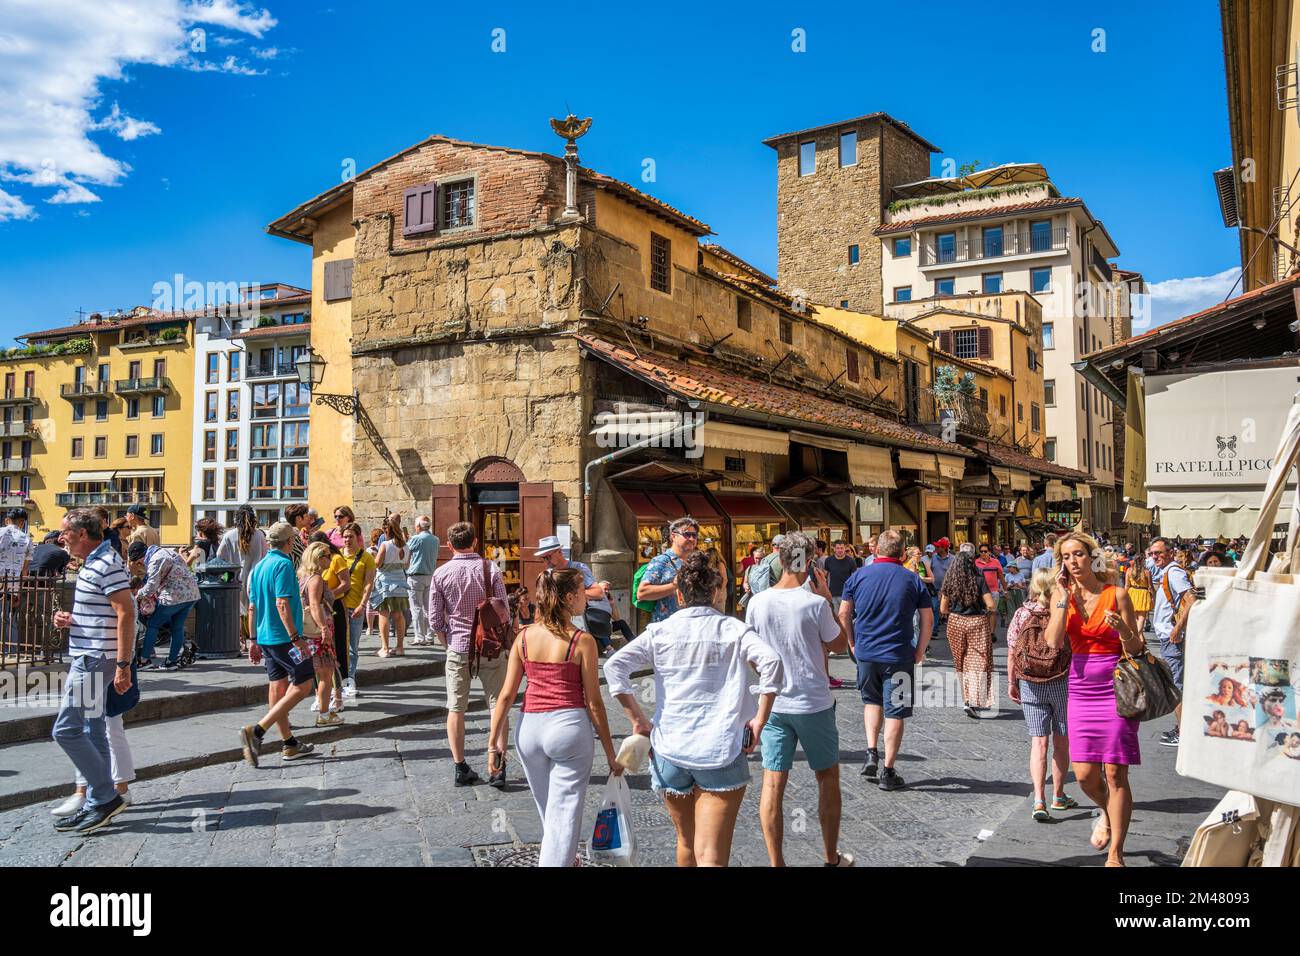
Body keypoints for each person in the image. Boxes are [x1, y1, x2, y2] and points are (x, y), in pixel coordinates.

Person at [607, 551, 783, 867]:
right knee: (712, 856)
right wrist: (760, 719)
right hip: (721, 750)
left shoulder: (659, 632)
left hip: (670, 750)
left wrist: (638, 719)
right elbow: (771, 663)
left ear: (678, 594)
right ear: (717, 591)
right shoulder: (734, 629)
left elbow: (615, 667)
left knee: (687, 845)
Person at [489, 568, 620, 866]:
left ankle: (566, 857)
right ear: (570, 598)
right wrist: (610, 753)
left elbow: (507, 695)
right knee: (565, 814)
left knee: (549, 810)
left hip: (530, 729)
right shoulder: (582, 641)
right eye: (582, 591)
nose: (587, 596)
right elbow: (594, 703)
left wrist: (493, 742)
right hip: (568, 727)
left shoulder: (523, 638)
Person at [745, 531, 854, 867]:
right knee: (827, 777)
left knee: (773, 782)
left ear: (780, 560)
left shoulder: (757, 602)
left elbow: (751, 654)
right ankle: (830, 857)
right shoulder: (815, 604)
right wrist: (827, 599)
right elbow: (839, 646)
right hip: (813, 702)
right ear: (809, 562)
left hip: (774, 703)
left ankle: (777, 862)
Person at [1042, 530, 1145, 867]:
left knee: (1116, 774)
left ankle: (1116, 852)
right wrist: (1060, 596)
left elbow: (1136, 648)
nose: (1073, 562)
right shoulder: (1064, 598)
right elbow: (1054, 642)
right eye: (1067, 557)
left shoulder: (1116, 594)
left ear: (1092, 557)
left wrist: (1123, 631)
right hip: (1081, 690)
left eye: (1079, 555)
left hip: (1116, 689)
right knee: (1085, 776)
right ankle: (1106, 811)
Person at [49, 510, 134, 833]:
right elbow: (109, 613)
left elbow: (126, 612)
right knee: (91, 729)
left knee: (66, 730)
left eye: (65, 533)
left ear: (82, 534)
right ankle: (97, 803)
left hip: (95, 658)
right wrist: (72, 619)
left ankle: (104, 795)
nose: (61, 539)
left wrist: (124, 665)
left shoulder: (106, 563)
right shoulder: (96, 563)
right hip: (92, 654)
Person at [838, 529, 933, 791]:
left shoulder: (858, 576)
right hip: (899, 654)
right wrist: (920, 650)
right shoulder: (912, 580)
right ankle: (888, 771)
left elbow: (844, 613)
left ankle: (871, 752)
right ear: (903, 553)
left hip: (866, 653)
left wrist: (852, 643)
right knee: (895, 712)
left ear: (876, 550)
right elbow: (928, 619)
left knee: (871, 702)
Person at [430, 521, 511, 788]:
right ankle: (497, 766)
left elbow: (434, 621)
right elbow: (505, 612)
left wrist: (448, 642)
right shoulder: (491, 569)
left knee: (456, 708)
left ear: (449, 545)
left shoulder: (441, 574)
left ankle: (460, 767)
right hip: (489, 646)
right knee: (497, 705)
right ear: (475, 542)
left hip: (458, 647)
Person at [238, 522, 317, 767]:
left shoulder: (259, 567)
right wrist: (296, 637)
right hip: (284, 637)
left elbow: (252, 607)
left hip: (264, 636)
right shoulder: (283, 564)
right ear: (289, 542)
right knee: (303, 685)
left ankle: (289, 744)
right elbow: (282, 603)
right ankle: (258, 731)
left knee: (278, 688)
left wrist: (252, 639)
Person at [1006, 568, 1076, 821]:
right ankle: (1059, 795)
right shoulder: (1063, 610)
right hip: (1061, 681)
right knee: (1061, 740)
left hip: (1030, 682)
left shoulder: (1022, 613)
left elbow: (1013, 650)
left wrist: (1012, 681)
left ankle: (1038, 799)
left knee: (1039, 742)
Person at [940, 552, 997, 717]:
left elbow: (943, 610)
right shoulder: (979, 580)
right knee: (978, 661)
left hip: (956, 622)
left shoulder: (950, 581)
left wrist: (956, 611)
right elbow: (991, 605)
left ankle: (967, 699)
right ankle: (971, 699)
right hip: (977, 622)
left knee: (960, 662)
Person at [1149, 536, 1193, 748]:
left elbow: (1190, 599)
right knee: (1175, 683)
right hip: (1168, 635)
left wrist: (1178, 628)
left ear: (1170, 552)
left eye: (1158, 553)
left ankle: (1183, 733)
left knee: (1176, 686)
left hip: (1171, 636)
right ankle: (1181, 728)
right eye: (1152, 553)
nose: (1155, 556)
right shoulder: (1167, 572)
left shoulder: (1174, 572)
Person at [535, 534, 614, 652]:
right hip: (557, 626)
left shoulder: (578, 569)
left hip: (579, 623)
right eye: (543, 558)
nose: (546, 561)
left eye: (548, 557)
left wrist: (575, 594)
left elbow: (598, 592)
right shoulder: (548, 575)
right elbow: (541, 602)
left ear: (559, 552)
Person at [137, 541, 200, 670]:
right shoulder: (168, 552)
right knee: (177, 627)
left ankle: (144, 660)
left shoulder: (155, 560)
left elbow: (151, 585)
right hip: (191, 594)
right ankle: (171, 662)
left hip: (174, 596)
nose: (140, 565)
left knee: (153, 624)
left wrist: (137, 596)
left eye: (139, 561)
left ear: (142, 556)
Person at [299, 540, 342, 726]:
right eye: (326, 555)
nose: (330, 558)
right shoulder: (316, 578)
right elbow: (315, 604)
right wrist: (324, 628)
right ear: (318, 558)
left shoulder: (304, 576)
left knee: (319, 673)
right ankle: (324, 714)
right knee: (326, 673)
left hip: (309, 630)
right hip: (318, 631)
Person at [331, 522, 376, 694]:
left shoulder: (366, 557)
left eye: (350, 536)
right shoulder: (338, 556)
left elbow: (369, 583)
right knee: (337, 646)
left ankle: (350, 680)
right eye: (345, 536)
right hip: (338, 607)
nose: (347, 539)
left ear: (358, 537)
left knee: (352, 648)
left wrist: (363, 604)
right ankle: (338, 681)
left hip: (356, 606)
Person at [216, 505, 267, 656]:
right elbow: (264, 557)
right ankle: (256, 640)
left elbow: (220, 557)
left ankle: (240, 642)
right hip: (256, 578)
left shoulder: (229, 535)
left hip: (234, 579)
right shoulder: (259, 536)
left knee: (236, 612)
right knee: (256, 610)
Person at [636, 516, 699, 623]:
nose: (692, 539)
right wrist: (674, 585)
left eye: (694, 535)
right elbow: (642, 593)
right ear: (674, 536)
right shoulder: (661, 561)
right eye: (687, 535)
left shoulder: (695, 561)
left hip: (692, 623)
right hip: (668, 626)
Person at [371, 513, 410, 657]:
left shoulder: (385, 545)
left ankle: (385, 648)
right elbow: (407, 565)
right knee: (399, 615)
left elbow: (377, 564)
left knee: (384, 614)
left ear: (387, 531)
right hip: (400, 582)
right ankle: (400, 647)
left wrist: (374, 557)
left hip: (386, 582)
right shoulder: (405, 545)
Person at [0, 507, 33, 654]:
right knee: (8, 619)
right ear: (22, 523)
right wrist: (18, 591)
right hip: (11, 586)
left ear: (7, 520)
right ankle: (11, 651)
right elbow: (25, 570)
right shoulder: (26, 539)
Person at [405, 515, 440, 646]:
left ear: (419, 526)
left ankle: (420, 637)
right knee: (428, 607)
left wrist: (406, 540)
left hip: (416, 576)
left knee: (416, 608)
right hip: (430, 575)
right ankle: (430, 636)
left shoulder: (416, 538)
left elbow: (405, 551)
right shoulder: (436, 539)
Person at [823, 540, 859, 616]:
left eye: (841, 548)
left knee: (846, 617)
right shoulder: (829, 560)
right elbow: (824, 576)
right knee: (836, 617)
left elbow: (854, 579)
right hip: (833, 594)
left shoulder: (851, 561)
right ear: (834, 549)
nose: (840, 550)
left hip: (847, 594)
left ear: (845, 548)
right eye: (838, 548)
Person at [975, 543, 1006, 631]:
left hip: (993, 591)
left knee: (992, 612)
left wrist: (1005, 590)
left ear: (989, 552)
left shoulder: (995, 562)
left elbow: (1001, 576)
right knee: (982, 612)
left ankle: (991, 633)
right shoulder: (976, 562)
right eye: (981, 551)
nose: (983, 553)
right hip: (980, 591)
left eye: (985, 551)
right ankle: (984, 631)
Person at [928, 537, 954, 629]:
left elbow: (954, 574)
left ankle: (952, 629)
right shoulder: (934, 557)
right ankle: (934, 629)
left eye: (938, 547)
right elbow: (930, 570)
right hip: (935, 588)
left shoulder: (952, 559)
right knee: (934, 607)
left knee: (948, 609)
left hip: (948, 589)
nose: (936, 548)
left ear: (943, 548)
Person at [1125, 560, 1153, 634]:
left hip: (1132, 593)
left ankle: (1136, 635)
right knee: (1141, 617)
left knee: (1134, 618)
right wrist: (1154, 596)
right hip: (1143, 594)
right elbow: (1150, 586)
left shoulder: (1129, 570)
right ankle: (1137, 635)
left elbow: (1127, 585)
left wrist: (1124, 595)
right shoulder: (1147, 572)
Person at [284, 503, 311, 568]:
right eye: (306, 515)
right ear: (299, 518)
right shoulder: (293, 535)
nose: (309, 518)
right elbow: (307, 554)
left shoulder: (289, 533)